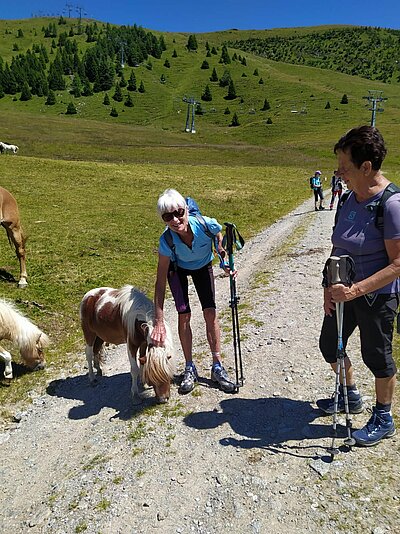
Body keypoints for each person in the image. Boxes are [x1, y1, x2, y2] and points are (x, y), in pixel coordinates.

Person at [317, 125, 400, 446]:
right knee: (329, 345)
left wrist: (353, 291)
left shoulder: (391, 205)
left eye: (345, 167)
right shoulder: (350, 198)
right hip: (342, 291)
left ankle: (383, 416)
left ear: (367, 167)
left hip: (377, 297)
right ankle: (349, 394)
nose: (338, 173)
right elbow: (338, 246)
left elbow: (397, 265)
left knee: (377, 357)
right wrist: (329, 284)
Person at [150, 188, 236, 395]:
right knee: (184, 315)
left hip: (203, 266)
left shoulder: (206, 224)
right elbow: (160, 282)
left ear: (186, 210)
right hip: (177, 269)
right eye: (167, 216)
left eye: (179, 212)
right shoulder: (166, 241)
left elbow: (218, 235)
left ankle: (217, 366)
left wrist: (223, 258)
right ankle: (190, 367)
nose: (175, 220)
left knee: (210, 312)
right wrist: (159, 321)